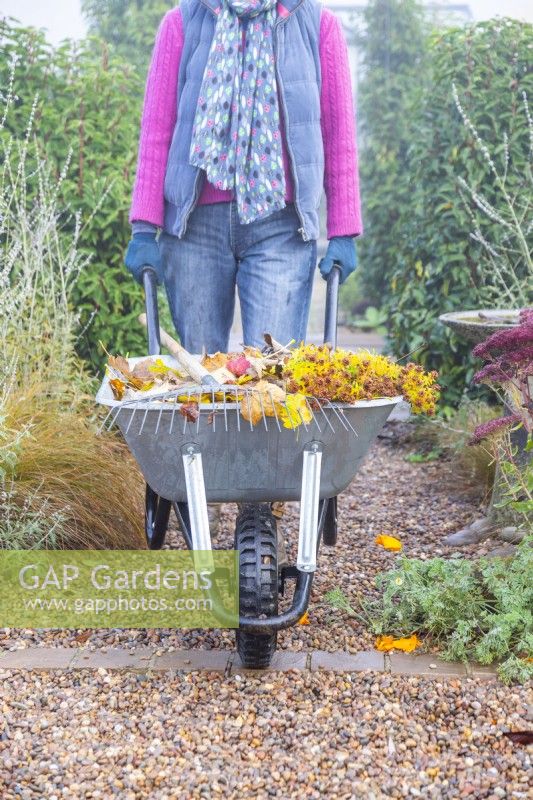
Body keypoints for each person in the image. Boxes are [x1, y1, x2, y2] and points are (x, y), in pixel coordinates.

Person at [125, 0, 362, 354]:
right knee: (203, 375)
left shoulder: (317, 25)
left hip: (281, 228)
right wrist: (144, 228)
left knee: (272, 372)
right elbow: (157, 130)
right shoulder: (182, 23)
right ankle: (210, 414)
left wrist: (343, 232)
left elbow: (338, 132)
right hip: (194, 230)